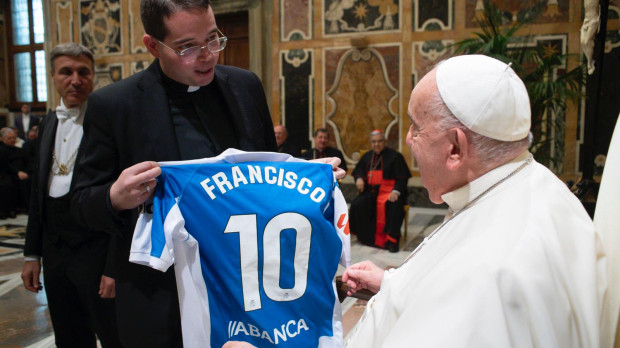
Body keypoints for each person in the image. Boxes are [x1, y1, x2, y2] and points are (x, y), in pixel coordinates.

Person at [341, 55, 605, 347]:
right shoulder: (529, 184)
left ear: (455, 149)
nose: (407, 139)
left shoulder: (490, 276)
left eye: (416, 127)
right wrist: (393, 285)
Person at [70, 1, 277, 346]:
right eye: (188, 47)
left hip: (244, 283)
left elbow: (272, 168)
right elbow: (80, 203)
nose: (208, 55)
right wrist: (114, 197)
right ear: (153, 46)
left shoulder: (245, 86)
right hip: (160, 296)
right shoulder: (115, 105)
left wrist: (312, 174)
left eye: (213, 39)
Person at [20, 43, 122, 347]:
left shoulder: (109, 124)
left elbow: (124, 204)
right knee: (68, 335)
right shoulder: (48, 122)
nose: (75, 79)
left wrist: (114, 267)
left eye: (83, 72)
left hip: (96, 251)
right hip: (55, 252)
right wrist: (31, 254)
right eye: (66, 72)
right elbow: (38, 195)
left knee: (112, 334)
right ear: (53, 76)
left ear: (93, 77)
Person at [349, 130, 411, 252]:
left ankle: (391, 241)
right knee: (357, 204)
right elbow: (359, 171)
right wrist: (359, 179)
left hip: (390, 192)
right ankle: (366, 237)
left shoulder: (395, 157)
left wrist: (396, 191)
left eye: (379, 141)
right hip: (371, 192)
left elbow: (403, 178)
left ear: (385, 142)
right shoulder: (367, 156)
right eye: (374, 142)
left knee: (394, 205)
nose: (376, 144)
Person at [0, 127, 30, 214]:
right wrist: (17, 172)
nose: (12, 140)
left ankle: (26, 207)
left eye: (14, 138)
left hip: (22, 172)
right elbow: (5, 164)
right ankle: (10, 209)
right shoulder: (2, 150)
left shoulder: (20, 150)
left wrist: (26, 172)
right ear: (3, 139)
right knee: (7, 184)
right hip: (7, 173)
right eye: (9, 138)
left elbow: (27, 162)